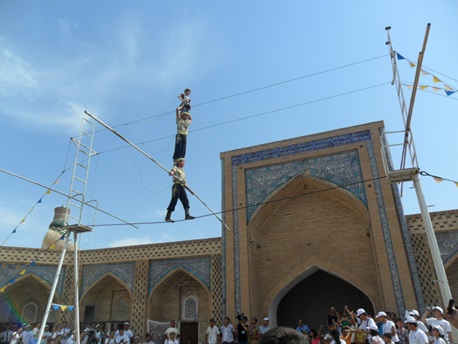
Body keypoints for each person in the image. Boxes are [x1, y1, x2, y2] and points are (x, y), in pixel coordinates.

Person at [165, 158, 195, 222]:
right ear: (179, 162)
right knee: (174, 201)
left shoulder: (183, 172)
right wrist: (171, 173)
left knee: (186, 201)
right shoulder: (176, 167)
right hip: (177, 186)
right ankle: (167, 217)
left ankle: (187, 215)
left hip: (182, 187)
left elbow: (184, 183)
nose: (184, 163)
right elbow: (172, 171)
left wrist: (190, 191)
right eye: (183, 162)